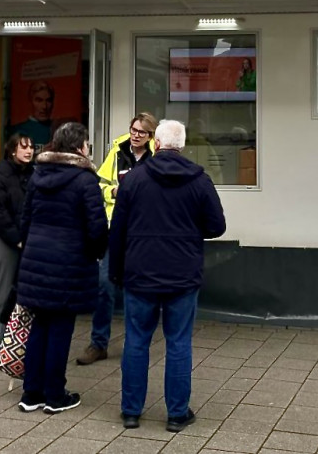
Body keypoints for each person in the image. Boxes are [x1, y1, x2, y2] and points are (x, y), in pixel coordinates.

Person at [109, 119, 226, 432]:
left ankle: (131, 411)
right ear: (182, 146)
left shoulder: (133, 180)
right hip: (182, 275)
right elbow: (217, 226)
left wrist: (116, 272)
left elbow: (117, 231)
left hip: (139, 273)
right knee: (178, 343)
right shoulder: (199, 180)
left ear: (155, 144)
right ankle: (176, 414)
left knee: (136, 341)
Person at [15, 122, 108, 414]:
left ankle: (31, 393)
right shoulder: (85, 180)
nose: (88, 148)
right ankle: (55, 395)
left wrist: (30, 251)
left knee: (40, 325)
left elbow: (26, 221)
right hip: (69, 264)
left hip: (36, 262)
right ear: (79, 147)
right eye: (87, 144)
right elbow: (96, 229)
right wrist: (96, 254)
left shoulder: (38, 175)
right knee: (60, 329)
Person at [76, 112, 158, 366]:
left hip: (144, 231)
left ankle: (136, 343)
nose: (135, 136)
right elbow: (97, 185)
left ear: (151, 135)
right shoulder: (118, 150)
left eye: (141, 132)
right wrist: (113, 191)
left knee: (139, 288)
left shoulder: (158, 156)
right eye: (133, 130)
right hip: (116, 229)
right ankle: (98, 343)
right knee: (104, 285)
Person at [0, 132, 34, 363]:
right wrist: (16, 237)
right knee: (1, 293)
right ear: (13, 150)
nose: (29, 151)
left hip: (27, 240)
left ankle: (18, 344)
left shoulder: (33, 173)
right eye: (24, 147)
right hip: (6, 241)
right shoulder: (1, 175)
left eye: (31, 146)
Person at [8, 81, 57, 148]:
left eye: (48, 101)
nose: (44, 106)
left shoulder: (59, 130)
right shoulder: (17, 130)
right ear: (31, 102)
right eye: (39, 100)